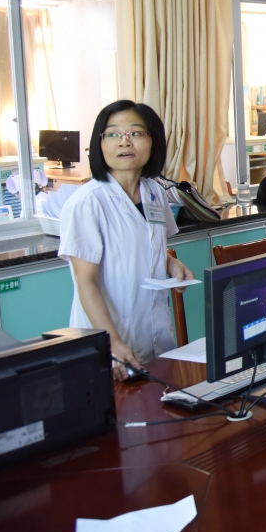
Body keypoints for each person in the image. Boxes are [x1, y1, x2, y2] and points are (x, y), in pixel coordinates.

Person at [59, 100, 194, 381]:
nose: (124, 142)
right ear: (100, 144)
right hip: (109, 343)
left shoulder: (154, 191)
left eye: (135, 133)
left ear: (153, 141)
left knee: (159, 402)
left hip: (154, 334)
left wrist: (171, 264)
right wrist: (112, 342)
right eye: (113, 134)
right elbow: (86, 281)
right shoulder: (87, 203)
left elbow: (148, 246)